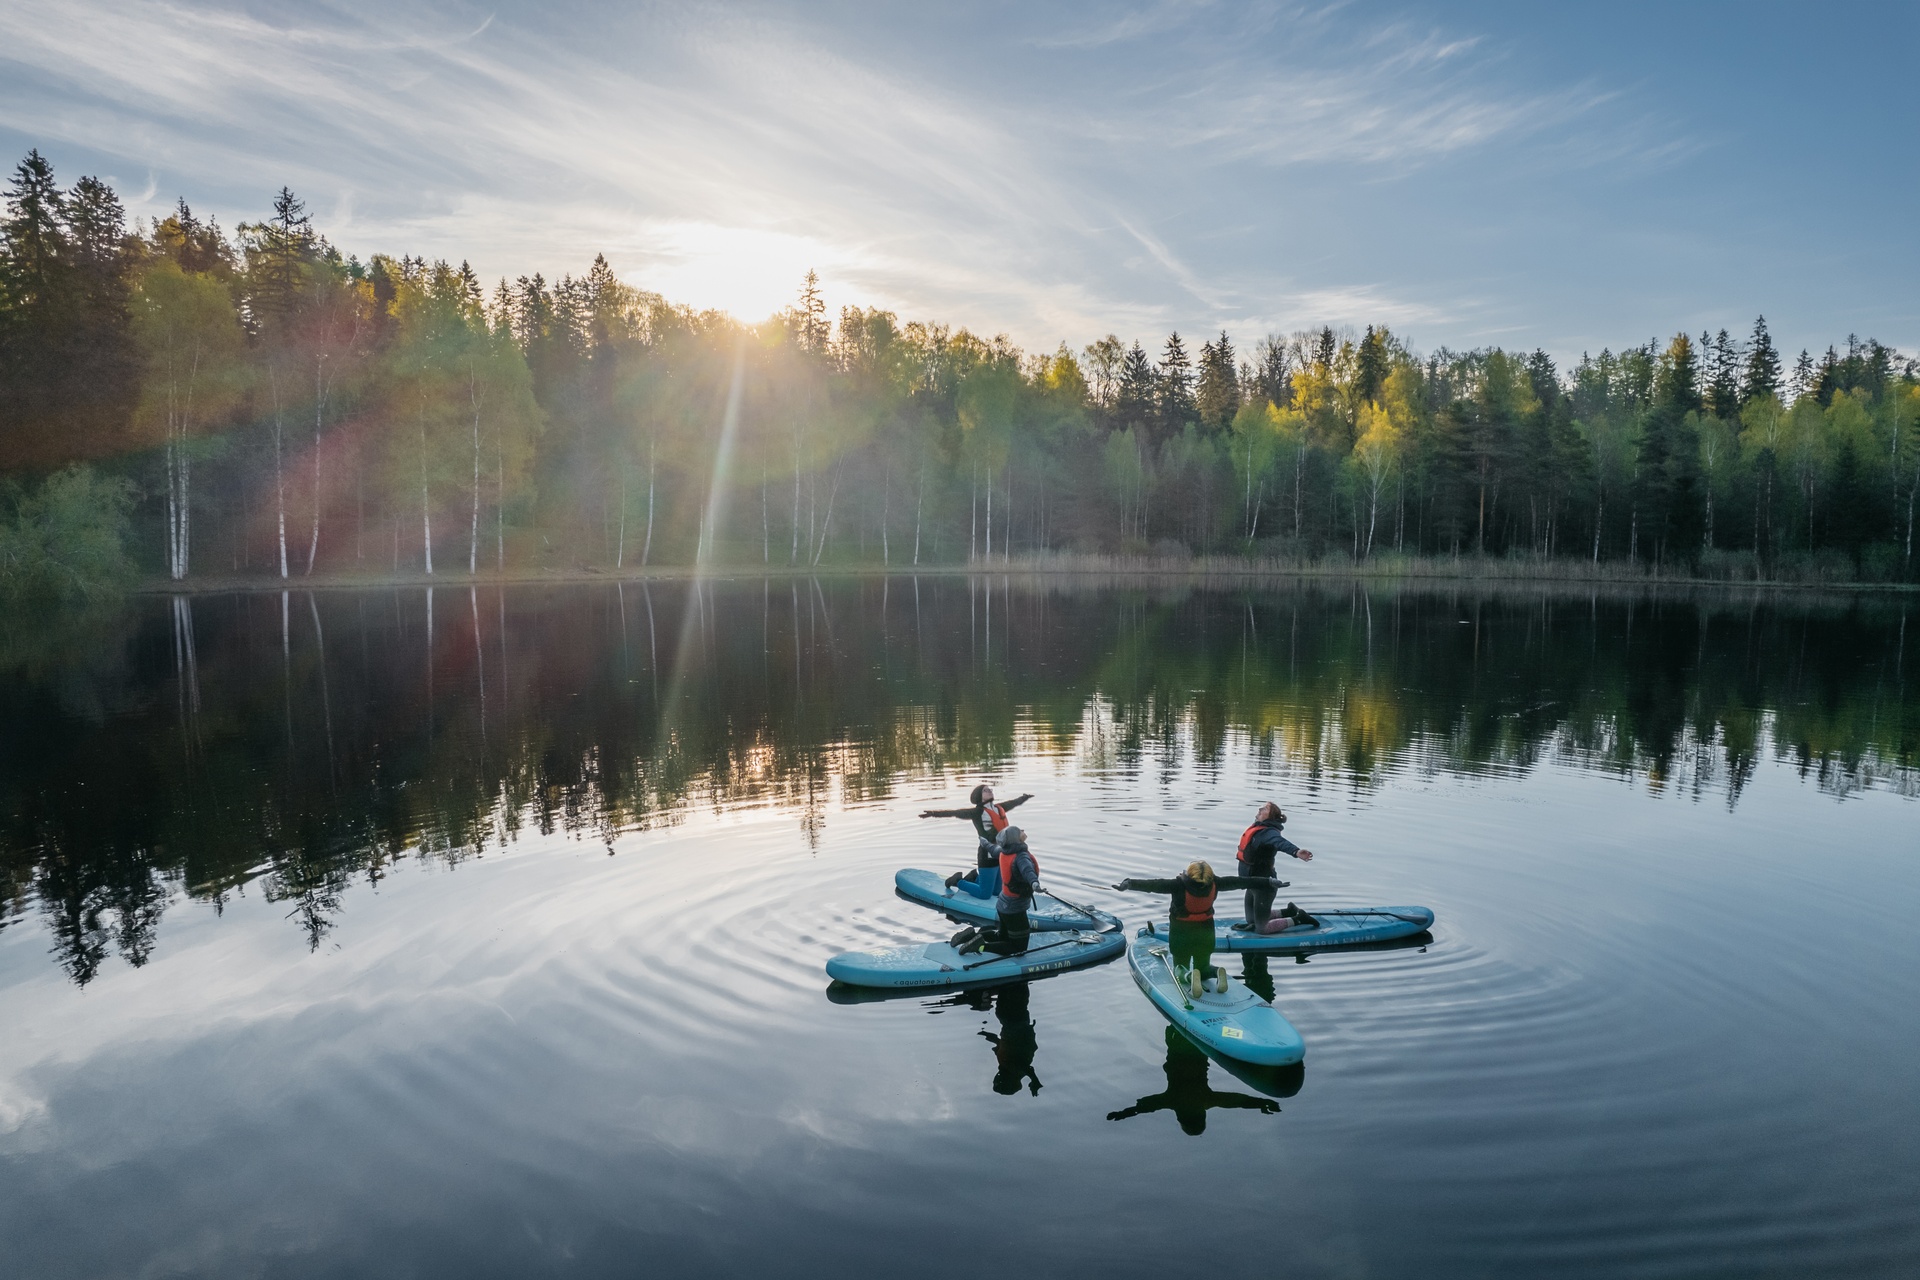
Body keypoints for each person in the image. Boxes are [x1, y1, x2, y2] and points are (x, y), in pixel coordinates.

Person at [1112, 860, 1284, 993]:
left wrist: (1129, 883)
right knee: (1203, 967)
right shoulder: (1216, 883)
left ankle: (1187, 975)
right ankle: (1217, 972)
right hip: (1206, 933)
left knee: (1179, 967)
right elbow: (1243, 881)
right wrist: (1268, 881)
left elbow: (1153, 885)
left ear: (1189, 874)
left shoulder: (1177, 884)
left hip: (1181, 933)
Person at [1107, 1026, 1279, 1135]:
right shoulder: (1175, 1101)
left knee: (1178, 1030)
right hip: (1183, 1049)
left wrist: (1262, 1103)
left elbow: (1236, 1101)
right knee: (1176, 1030)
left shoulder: (1203, 1100)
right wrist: (1124, 1113)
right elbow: (1236, 1101)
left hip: (1194, 1049)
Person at [918, 783, 1033, 899]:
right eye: (985, 790)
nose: (990, 791)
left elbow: (1014, 802)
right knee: (985, 895)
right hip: (986, 855)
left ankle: (975, 876)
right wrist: (933, 814)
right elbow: (955, 813)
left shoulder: (1000, 808)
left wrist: (1025, 797)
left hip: (1001, 854)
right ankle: (958, 881)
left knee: (997, 892)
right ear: (979, 796)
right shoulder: (977, 812)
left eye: (990, 789)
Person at [952, 826, 1040, 956]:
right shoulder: (1021, 857)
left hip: (1003, 905)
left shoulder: (1004, 852)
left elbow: (991, 848)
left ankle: (971, 936)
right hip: (1015, 909)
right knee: (1019, 948)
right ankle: (980, 946)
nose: (1023, 831)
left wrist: (984, 842)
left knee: (1002, 936)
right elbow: (1028, 871)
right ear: (1014, 839)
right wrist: (1035, 883)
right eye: (1019, 831)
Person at [1234, 801, 1318, 935]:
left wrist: (1296, 852)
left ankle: (1299, 919)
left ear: (1270, 817)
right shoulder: (1258, 829)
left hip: (1265, 885)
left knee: (1262, 929)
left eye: (1266, 808)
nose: (1260, 808)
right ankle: (1288, 911)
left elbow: (1280, 843)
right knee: (1251, 920)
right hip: (1252, 882)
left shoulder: (1269, 832)